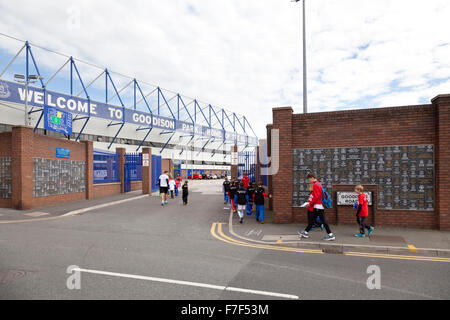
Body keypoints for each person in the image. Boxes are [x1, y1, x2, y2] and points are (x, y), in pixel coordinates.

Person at [298, 173, 335, 241]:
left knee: (323, 221)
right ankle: (305, 232)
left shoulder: (315, 185)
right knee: (312, 220)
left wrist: (310, 203)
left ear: (312, 178)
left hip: (318, 206)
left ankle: (330, 235)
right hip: (317, 206)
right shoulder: (319, 184)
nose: (309, 181)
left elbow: (316, 196)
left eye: (309, 179)